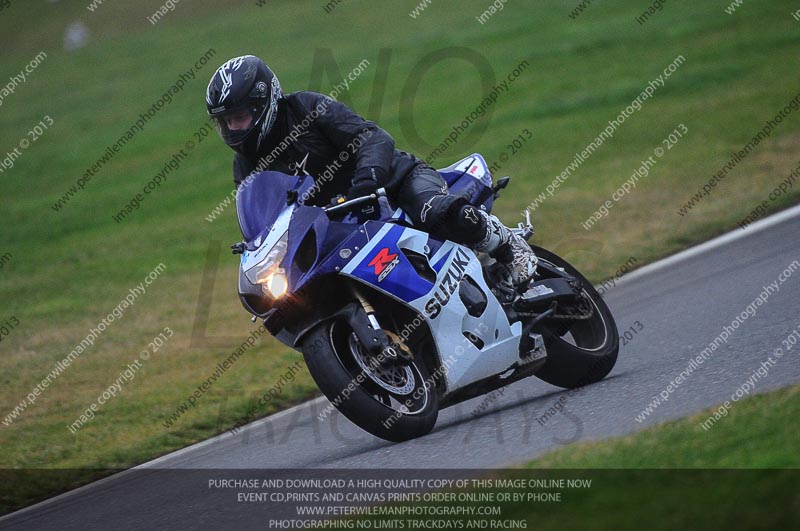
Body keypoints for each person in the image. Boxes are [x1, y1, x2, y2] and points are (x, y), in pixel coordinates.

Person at [205, 55, 537, 286]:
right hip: (338, 224)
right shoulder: (244, 165)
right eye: (226, 121)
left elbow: (372, 137)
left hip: (394, 183)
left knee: (435, 210)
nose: (233, 129)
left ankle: (507, 246)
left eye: (239, 117)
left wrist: (366, 182)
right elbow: (263, 217)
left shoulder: (306, 107)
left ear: (263, 102)